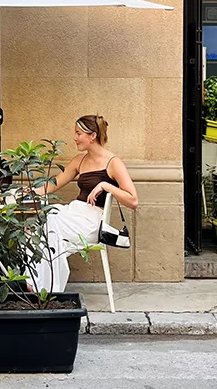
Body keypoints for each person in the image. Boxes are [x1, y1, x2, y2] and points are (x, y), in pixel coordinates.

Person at [30, 114, 138, 293]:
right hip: (73, 214)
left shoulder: (113, 163)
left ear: (92, 136)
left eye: (78, 133)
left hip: (91, 222)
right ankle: (37, 283)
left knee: (50, 222)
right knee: (40, 220)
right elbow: (53, 185)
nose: (75, 137)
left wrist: (105, 185)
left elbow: (133, 200)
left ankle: (45, 288)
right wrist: (29, 192)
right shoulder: (79, 160)